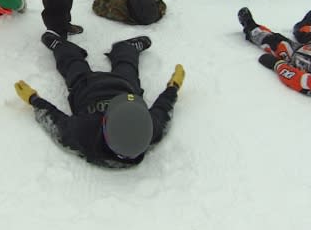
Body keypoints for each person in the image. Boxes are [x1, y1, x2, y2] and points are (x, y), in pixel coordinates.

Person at [14, 32, 185, 167]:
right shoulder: (149, 131)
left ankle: (63, 47)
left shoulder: (84, 134)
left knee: (73, 65)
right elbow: (163, 109)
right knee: (127, 66)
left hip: (86, 88)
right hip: (124, 87)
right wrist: (173, 87)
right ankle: (127, 48)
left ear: (103, 124)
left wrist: (33, 99)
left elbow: (55, 121)